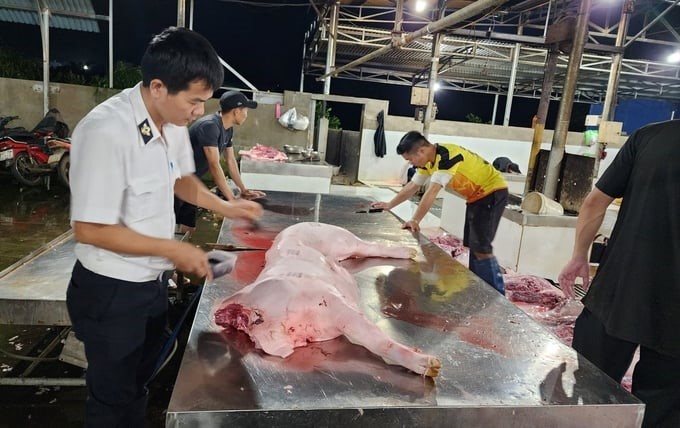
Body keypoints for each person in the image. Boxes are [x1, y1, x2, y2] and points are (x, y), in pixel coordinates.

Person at [66, 27, 263, 427]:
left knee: (140, 380)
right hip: (112, 293)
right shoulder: (107, 130)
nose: (197, 112)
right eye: (193, 101)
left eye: (203, 102)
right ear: (158, 86)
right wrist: (178, 251)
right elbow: (90, 229)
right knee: (111, 398)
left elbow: (181, 180)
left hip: (151, 284)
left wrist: (226, 205)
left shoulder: (170, 123)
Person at [558, 119, 680, 428]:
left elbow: (594, 202)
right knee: (663, 409)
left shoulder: (650, 136)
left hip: (619, 289)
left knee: (589, 391)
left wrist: (578, 256)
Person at [372, 131, 508, 294]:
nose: (411, 164)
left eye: (410, 159)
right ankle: (479, 286)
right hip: (475, 198)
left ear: (421, 151)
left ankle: (496, 294)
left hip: (492, 191)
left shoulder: (447, 156)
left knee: (481, 246)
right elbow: (413, 186)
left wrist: (415, 220)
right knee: (473, 244)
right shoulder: (427, 163)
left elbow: (432, 191)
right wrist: (389, 204)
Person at [175, 90, 266, 233]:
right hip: (177, 181)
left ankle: (182, 242)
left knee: (188, 225)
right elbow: (214, 164)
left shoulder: (227, 129)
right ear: (236, 111)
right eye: (245, 110)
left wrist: (243, 190)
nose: (246, 115)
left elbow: (230, 161)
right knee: (169, 225)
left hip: (193, 180)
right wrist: (232, 201)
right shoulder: (210, 126)